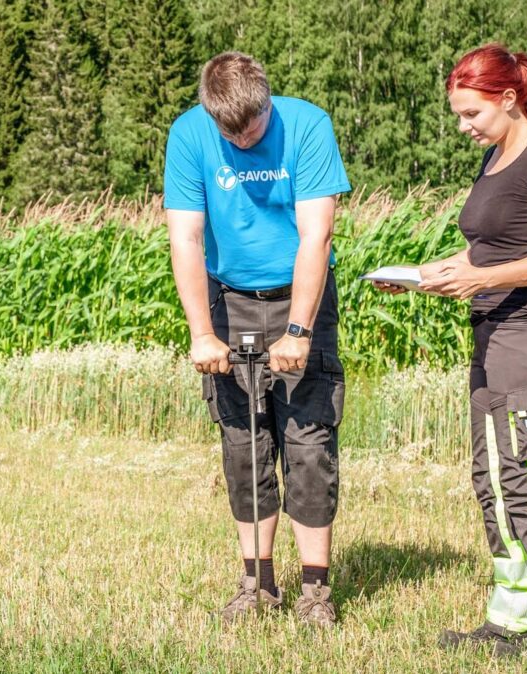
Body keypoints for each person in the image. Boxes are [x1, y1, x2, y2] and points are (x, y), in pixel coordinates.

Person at [373, 43, 527, 664]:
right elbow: (485, 252)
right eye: (459, 116)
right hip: (493, 334)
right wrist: (424, 274)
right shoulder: (497, 158)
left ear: (507, 98)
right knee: (494, 480)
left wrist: (482, 281)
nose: (464, 127)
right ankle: (512, 618)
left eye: (472, 114)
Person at [164, 51, 352, 625]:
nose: (243, 141)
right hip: (230, 301)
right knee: (244, 443)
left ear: (268, 101)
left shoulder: (308, 125)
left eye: (253, 128)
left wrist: (298, 329)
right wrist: (202, 332)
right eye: (231, 133)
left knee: (308, 443)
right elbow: (187, 240)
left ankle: (315, 591)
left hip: (300, 294)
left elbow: (315, 236)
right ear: (210, 115)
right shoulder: (190, 135)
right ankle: (257, 582)